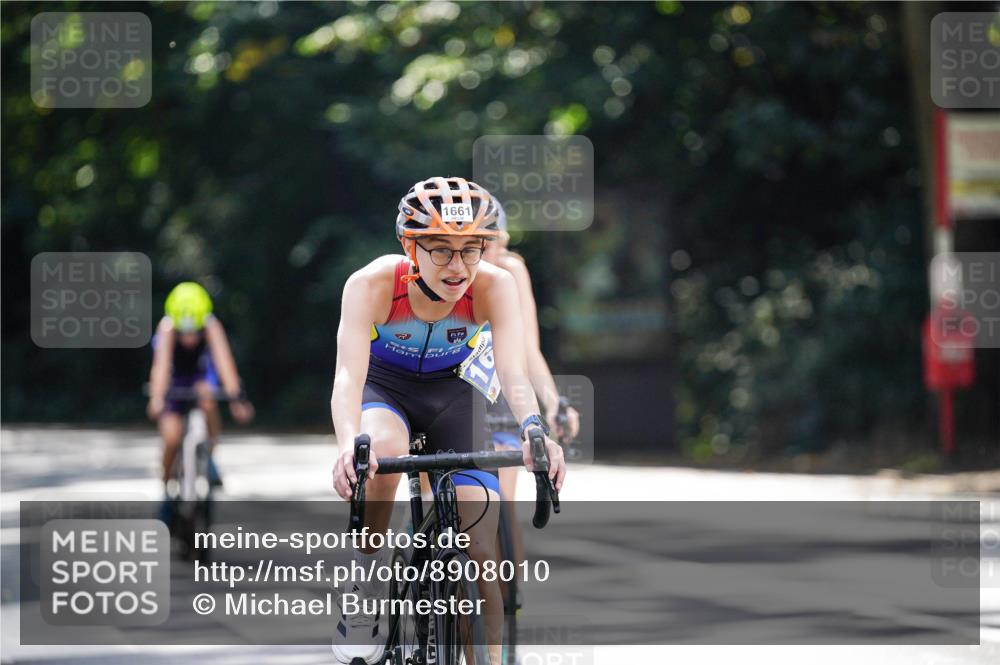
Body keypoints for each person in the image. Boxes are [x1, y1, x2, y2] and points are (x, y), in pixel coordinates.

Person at [330, 176, 567, 665]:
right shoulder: (372, 283)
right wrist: (348, 444)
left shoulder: (495, 285)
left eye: (471, 249)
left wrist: (533, 429)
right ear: (408, 245)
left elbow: (513, 371)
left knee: (481, 544)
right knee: (385, 451)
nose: (457, 267)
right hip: (387, 390)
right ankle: (364, 581)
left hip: (456, 395)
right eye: (440, 250)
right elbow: (348, 377)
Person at [147, 282, 254, 514]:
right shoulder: (167, 328)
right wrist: (156, 398)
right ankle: (166, 491)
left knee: (207, 399)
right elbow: (161, 367)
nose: (189, 338)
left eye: (194, 332)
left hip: (200, 377)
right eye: (184, 333)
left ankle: (209, 453)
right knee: (172, 437)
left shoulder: (211, 325)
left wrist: (237, 398)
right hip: (174, 381)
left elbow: (224, 363)